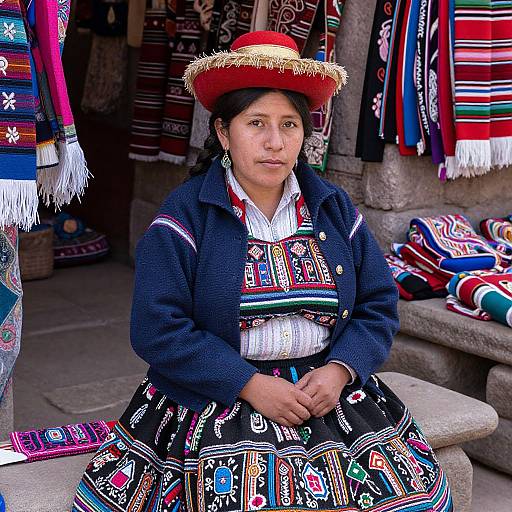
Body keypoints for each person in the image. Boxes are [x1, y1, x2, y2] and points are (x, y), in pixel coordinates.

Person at [72, 31, 453, 511]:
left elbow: (378, 305)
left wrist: (339, 370)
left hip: (325, 397)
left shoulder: (333, 210)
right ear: (223, 132)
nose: (275, 143)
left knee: (409, 501)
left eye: (289, 125)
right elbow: (157, 328)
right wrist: (249, 384)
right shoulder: (185, 217)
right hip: (216, 399)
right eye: (256, 123)